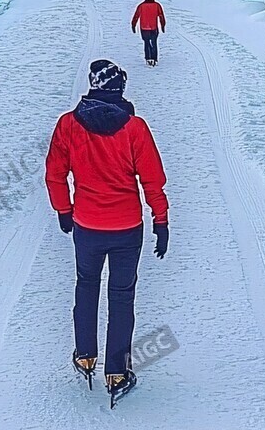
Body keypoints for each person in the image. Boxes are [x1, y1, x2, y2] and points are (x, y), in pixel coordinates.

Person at [45, 60, 169, 408]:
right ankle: (117, 371)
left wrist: (64, 210)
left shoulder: (69, 124)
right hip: (127, 227)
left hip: (86, 224)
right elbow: (152, 180)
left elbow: (55, 174)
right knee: (122, 295)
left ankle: (85, 356)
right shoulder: (135, 128)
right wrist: (161, 220)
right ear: (119, 89)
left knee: (86, 286)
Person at [131, 0, 166, 66]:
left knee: (146, 43)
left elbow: (136, 16)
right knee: (154, 43)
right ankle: (154, 58)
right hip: (154, 27)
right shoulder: (157, 5)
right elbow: (161, 16)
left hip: (144, 28)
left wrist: (133, 25)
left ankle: (148, 58)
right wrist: (163, 25)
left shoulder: (141, 6)